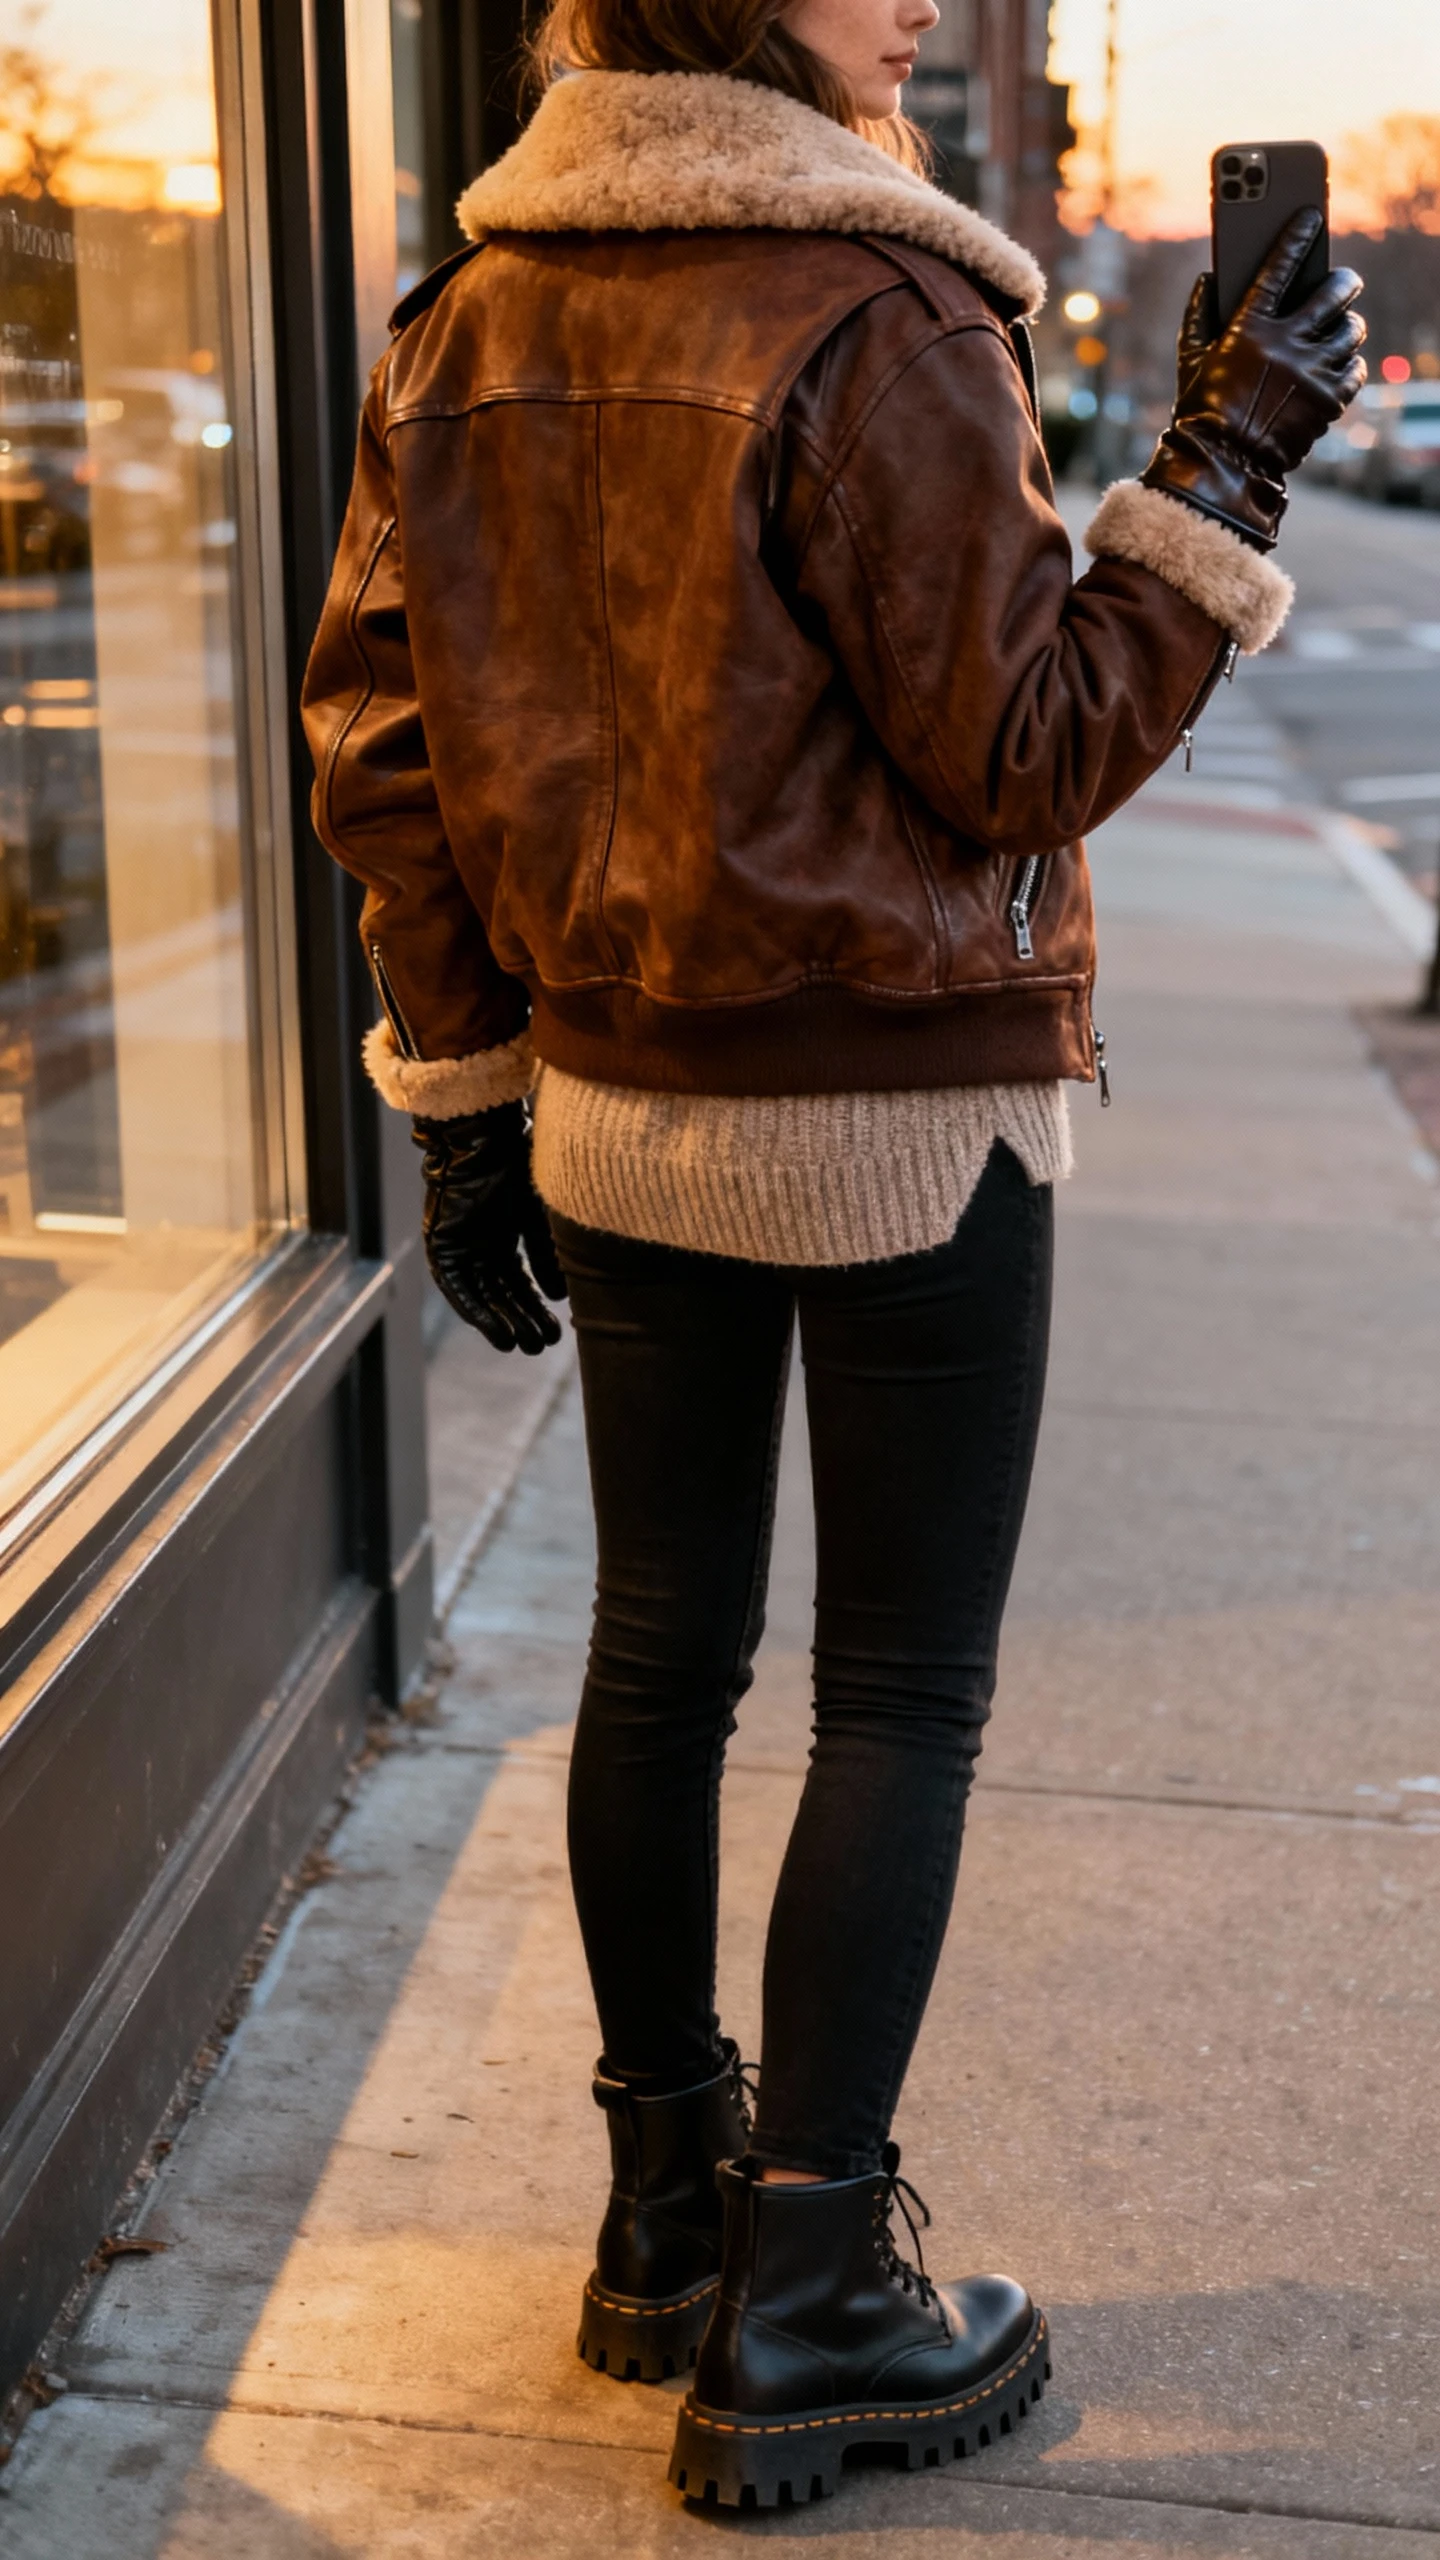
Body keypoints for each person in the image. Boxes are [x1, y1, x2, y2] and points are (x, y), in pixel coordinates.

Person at [303, 0, 1363, 2508]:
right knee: (900, 1683)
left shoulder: (466, 320)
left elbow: (382, 734)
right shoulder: (876, 312)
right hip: (896, 1110)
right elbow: (1030, 742)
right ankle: (815, 2296)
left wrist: (461, 1099)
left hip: (618, 1106)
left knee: (660, 1654)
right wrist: (1229, 457)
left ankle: (665, 2212)